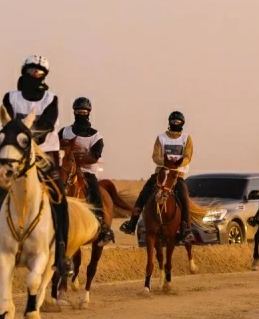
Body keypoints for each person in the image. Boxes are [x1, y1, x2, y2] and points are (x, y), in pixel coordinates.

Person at [0, 55, 74, 278]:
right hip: (15, 158)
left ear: (44, 75)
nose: (35, 75)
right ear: (24, 71)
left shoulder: (51, 99)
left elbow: (47, 126)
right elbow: (6, 124)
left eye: (39, 72)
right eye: (31, 70)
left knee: (60, 199)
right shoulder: (10, 97)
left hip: (45, 155)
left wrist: (25, 139)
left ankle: (61, 254)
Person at [119, 111, 194, 243]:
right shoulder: (161, 137)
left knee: (184, 198)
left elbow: (188, 157)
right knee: (143, 195)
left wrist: (177, 164)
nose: (175, 124)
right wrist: (166, 163)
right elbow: (155, 156)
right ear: (169, 122)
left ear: (182, 124)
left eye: (178, 122)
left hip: (177, 175)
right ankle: (132, 223)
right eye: (173, 121)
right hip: (162, 172)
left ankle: (185, 229)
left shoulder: (187, 138)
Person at [59, 97, 113, 244]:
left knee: (95, 191)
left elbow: (95, 156)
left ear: (88, 113)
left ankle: (103, 227)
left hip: (87, 171)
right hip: (66, 169)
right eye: (78, 111)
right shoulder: (64, 131)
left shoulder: (96, 136)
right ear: (74, 112)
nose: (81, 114)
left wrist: (79, 158)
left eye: (83, 111)